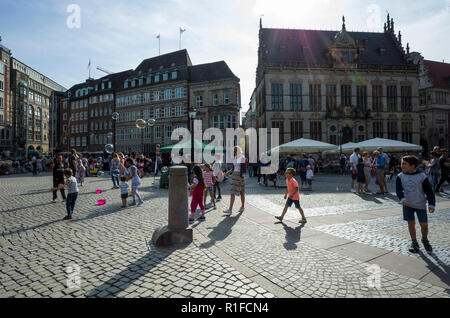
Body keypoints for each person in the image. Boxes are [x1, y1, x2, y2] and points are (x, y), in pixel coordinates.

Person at [396, 155, 435, 253]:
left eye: (404, 164)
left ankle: (425, 240)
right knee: (411, 224)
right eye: (401, 163)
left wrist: (431, 204)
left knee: (424, 225)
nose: (402, 166)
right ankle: (414, 242)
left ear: (412, 166)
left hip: (420, 204)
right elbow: (398, 190)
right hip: (407, 205)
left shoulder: (422, 176)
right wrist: (402, 199)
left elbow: (429, 191)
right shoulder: (400, 176)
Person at [223, 146, 246, 215]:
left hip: (240, 176)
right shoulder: (235, 158)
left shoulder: (242, 158)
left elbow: (243, 169)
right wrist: (228, 172)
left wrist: (241, 178)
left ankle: (242, 206)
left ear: (238, 151)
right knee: (232, 191)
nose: (234, 152)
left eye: (235, 151)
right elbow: (233, 167)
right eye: (234, 151)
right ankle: (230, 209)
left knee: (241, 191)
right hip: (234, 176)